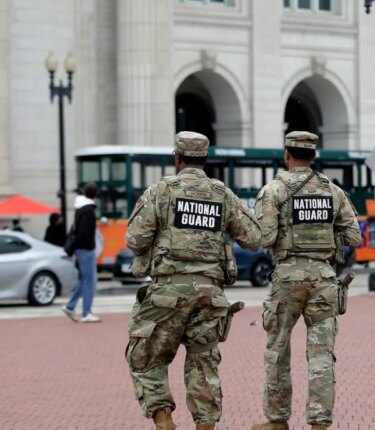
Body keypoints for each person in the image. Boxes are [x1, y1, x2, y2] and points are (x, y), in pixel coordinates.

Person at [124, 132, 262, 430]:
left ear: (177, 158)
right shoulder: (222, 193)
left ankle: (163, 420)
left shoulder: (162, 190)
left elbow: (135, 239)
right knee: (203, 363)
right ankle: (205, 426)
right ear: (205, 159)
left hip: (167, 293)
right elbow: (253, 238)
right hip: (210, 295)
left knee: (145, 355)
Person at [252, 131, 361, 430]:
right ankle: (319, 423)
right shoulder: (333, 191)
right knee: (322, 355)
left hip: (287, 277)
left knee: (278, 350)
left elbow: (265, 237)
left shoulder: (274, 190)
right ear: (314, 156)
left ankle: (276, 420)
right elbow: (354, 236)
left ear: (286, 154)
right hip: (324, 279)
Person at [62, 182, 101, 323]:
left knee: (84, 280)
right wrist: (91, 247)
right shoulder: (89, 210)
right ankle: (86, 312)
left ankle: (70, 306)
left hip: (80, 248)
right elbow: (84, 233)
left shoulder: (81, 208)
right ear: (96, 194)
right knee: (89, 281)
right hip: (86, 249)